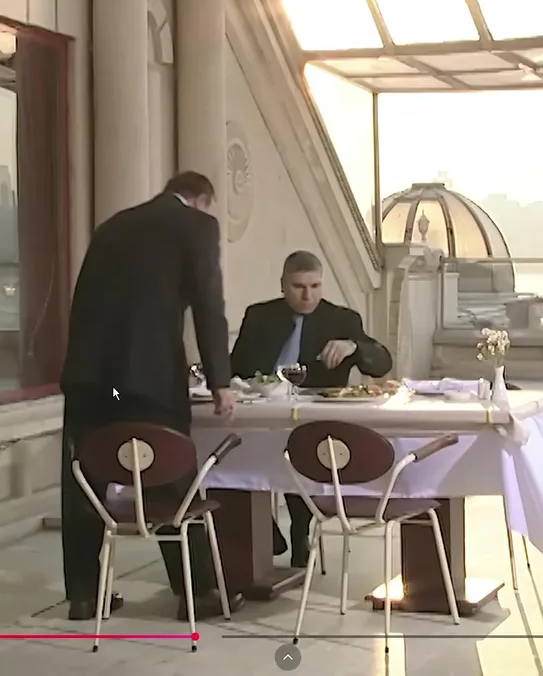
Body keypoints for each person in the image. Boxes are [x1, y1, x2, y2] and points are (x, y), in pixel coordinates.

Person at [60, 171, 243, 621]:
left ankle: (84, 596)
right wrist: (220, 380)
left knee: (85, 485)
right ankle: (197, 593)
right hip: (145, 379)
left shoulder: (114, 225)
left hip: (89, 379)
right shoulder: (196, 225)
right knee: (170, 476)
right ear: (202, 200)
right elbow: (208, 304)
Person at [229, 250, 393, 566]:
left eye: (315, 286)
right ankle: (265, 534)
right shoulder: (259, 316)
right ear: (283, 285)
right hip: (263, 410)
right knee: (235, 455)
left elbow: (382, 362)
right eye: (299, 287)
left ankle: (300, 532)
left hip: (315, 416)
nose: (308, 296)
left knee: (299, 448)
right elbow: (237, 366)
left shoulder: (342, 320)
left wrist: (354, 347)